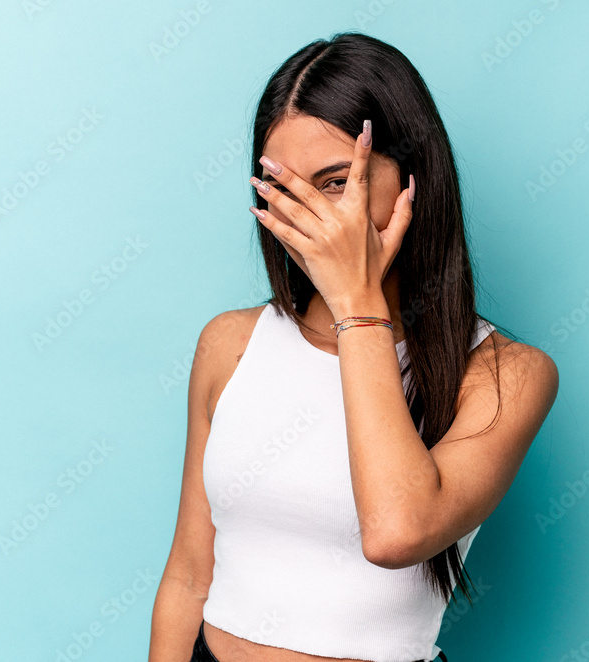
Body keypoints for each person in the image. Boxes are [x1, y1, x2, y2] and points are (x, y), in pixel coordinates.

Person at [149, 31, 559, 662]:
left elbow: (397, 531)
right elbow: (187, 575)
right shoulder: (230, 344)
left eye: (337, 181)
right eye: (285, 188)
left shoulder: (505, 375)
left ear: (413, 179)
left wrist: (358, 307)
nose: (310, 213)